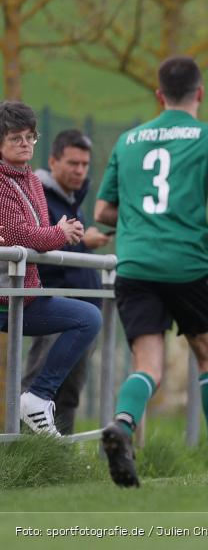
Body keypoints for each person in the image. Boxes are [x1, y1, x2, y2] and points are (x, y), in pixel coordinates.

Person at [95, 56, 208, 488]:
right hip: (185, 266)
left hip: (135, 266)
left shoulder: (127, 142)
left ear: (158, 94)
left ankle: (123, 426)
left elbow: (103, 210)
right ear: (200, 93)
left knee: (148, 364)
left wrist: (137, 219)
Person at [0, 101, 101, 437]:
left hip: (26, 295)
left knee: (88, 318)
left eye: (30, 136)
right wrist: (59, 233)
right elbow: (21, 235)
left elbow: (36, 232)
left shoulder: (29, 179)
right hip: (6, 296)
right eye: (16, 138)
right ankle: (33, 407)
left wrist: (52, 234)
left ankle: (38, 400)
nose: (26, 143)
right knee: (86, 318)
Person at [22, 129, 112, 435]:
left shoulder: (73, 201)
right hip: (52, 303)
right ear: (52, 161)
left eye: (85, 165)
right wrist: (80, 240)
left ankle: (60, 455)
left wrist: (82, 242)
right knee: (36, 387)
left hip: (83, 309)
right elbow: (35, 240)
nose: (79, 170)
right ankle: (25, 452)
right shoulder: (38, 196)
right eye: (73, 163)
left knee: (70, 392)